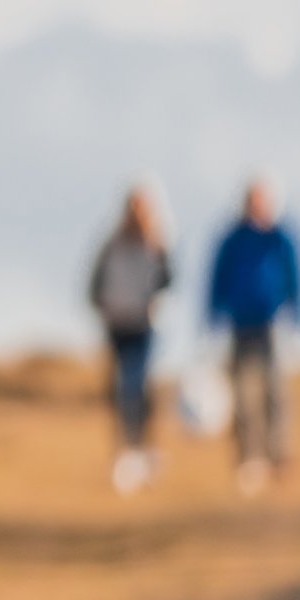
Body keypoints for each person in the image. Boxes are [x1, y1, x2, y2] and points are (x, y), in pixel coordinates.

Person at [207, 176, 300, 495]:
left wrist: (299, 315)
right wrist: (213, 315)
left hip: (272, 321)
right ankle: (248, 459)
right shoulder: (232, 238)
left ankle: (278, 457)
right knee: (242, 394)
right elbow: (217, 277)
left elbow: (296, 276)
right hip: (239, 322)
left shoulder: (280, 237)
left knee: (275, 392)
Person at [87, 183, 173, 494]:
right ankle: (125, 450)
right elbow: (94, 283)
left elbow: (168, 281)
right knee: (119, 388)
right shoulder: (111, 243)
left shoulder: (157, 243)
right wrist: (101, 306)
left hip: (145, 325)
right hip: (117, 324)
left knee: (138, 386)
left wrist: (155, 302)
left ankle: (143, 448)